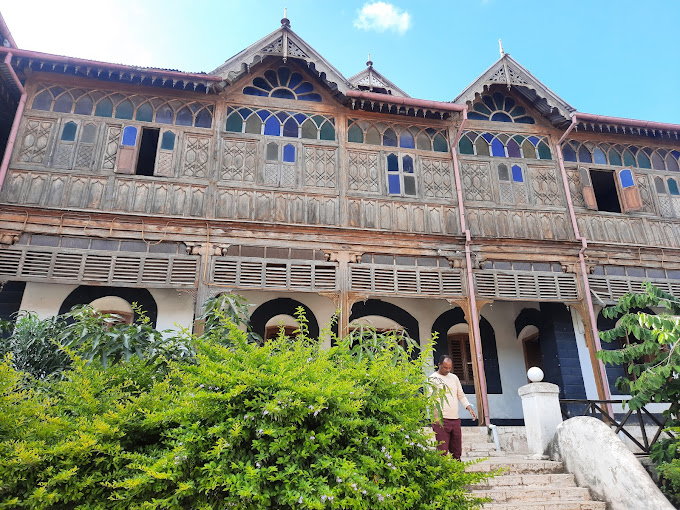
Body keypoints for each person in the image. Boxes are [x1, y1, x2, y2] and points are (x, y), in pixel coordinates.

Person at [429, 355, 477, 460]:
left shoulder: (454, 378)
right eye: (445, 367)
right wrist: (436, 416)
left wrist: (469, 408)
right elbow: (431, 400)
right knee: (442, 452)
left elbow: (461, 395)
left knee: (456, 451)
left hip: (455, 420)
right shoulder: (432, 379)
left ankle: (457, 473)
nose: (447, 370)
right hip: (441, 420)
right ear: (439, 365)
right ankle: (443, 474)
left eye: (449, 368)